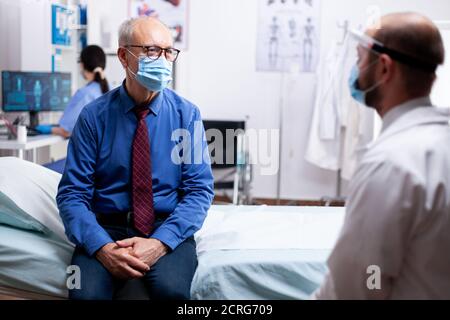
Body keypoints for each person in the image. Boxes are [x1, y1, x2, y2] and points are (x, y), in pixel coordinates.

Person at [56, 17, 214, 300]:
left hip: (166, 227)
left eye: (168, 52)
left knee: (171, 291)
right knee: (82, 293)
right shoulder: (94, 117)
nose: (163, 60)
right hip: (105, 227)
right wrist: (102, 247)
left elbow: (199, 191)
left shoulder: (186, 116)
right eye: (152, 51)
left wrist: (160, 243)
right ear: (123, 55)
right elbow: (72, 194)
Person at [314, 12, 450, 299]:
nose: (355, 68)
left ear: (385, 68)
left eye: (360, 58)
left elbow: (361, 283)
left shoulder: (390, 164)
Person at [35, 45, 109, 138]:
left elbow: (66, 131)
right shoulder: (110, 89)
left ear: (82, 65)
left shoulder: (85, 94)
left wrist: (47, 129)